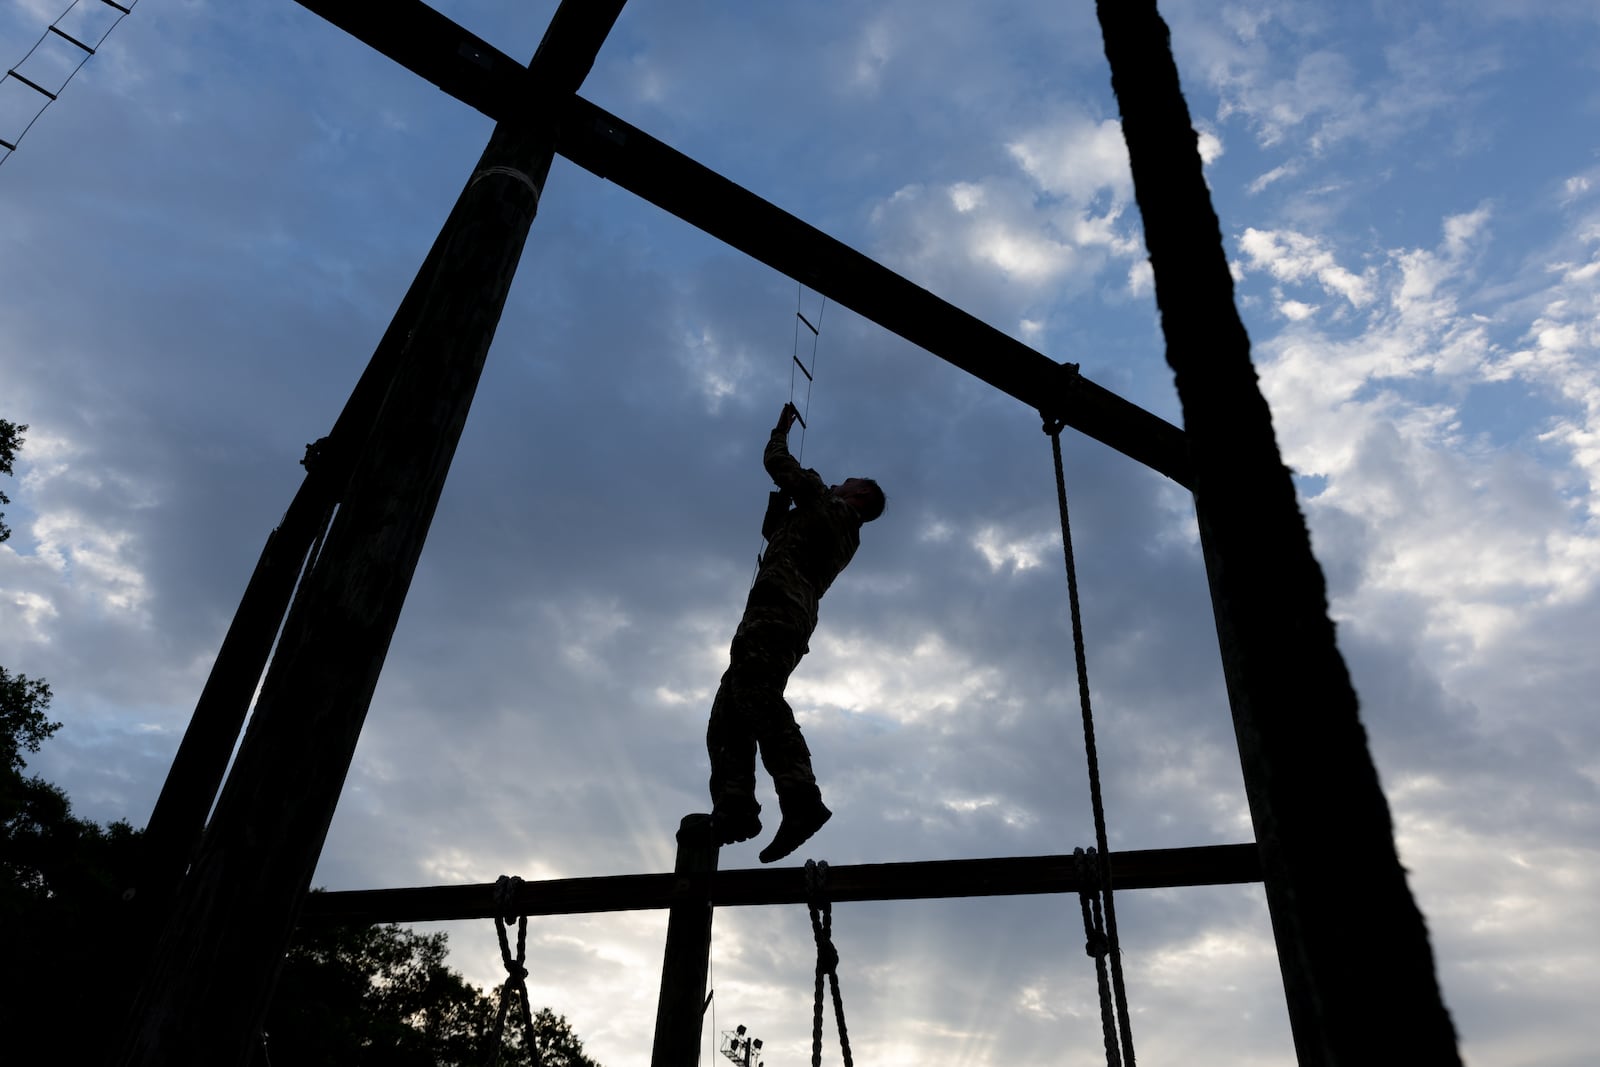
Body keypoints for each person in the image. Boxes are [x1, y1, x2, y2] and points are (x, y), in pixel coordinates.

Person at [707, 402, 886, 863]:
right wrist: (781, 509)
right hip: (777, 614)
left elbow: (777, 464)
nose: (838, 481)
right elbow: (781, 537)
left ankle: (800, 799)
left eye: (849, 481)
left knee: (754, 696)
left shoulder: (829, 506)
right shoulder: (831, 521)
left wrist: (780, 430)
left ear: (861, 496)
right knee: (729, 707)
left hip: (777, 613)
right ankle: (735, 807)